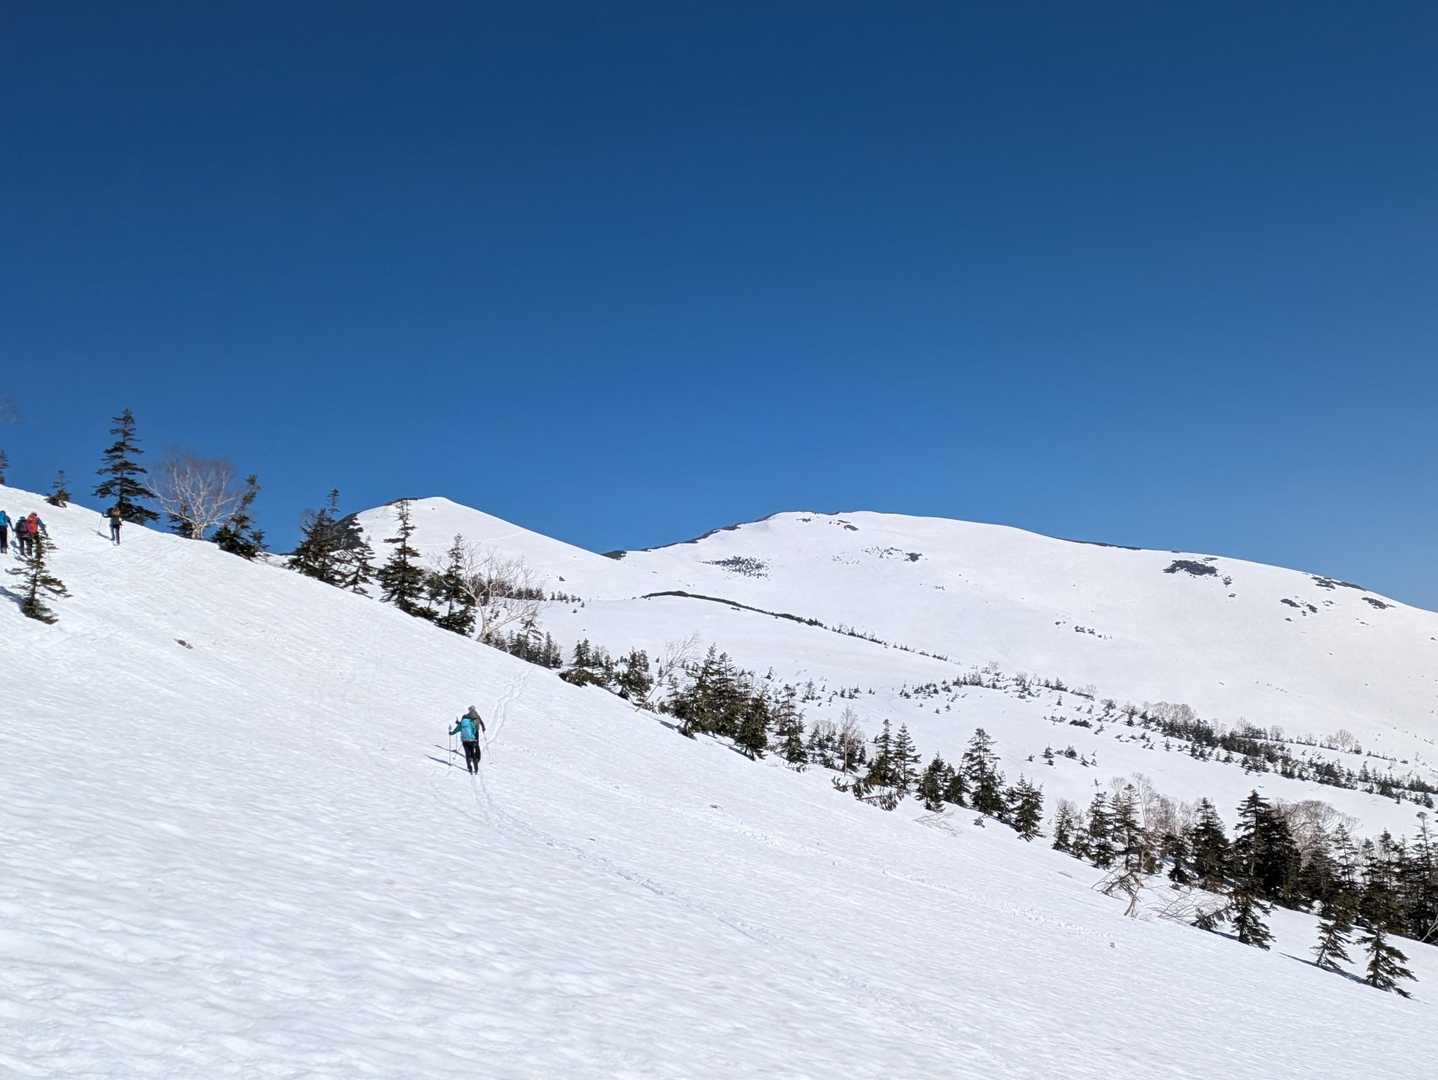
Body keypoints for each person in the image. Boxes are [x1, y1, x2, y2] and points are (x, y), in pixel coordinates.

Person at [449, 706, 487, 774]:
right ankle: (476, 764)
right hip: (472, 737)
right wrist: (481, 729)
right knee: (475, 748)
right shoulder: (475, 717)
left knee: (467, 754)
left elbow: (458, 728)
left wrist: (451, 732)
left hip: (465, 740)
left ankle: (469, 767)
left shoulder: (465, 719)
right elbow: (476, 726)